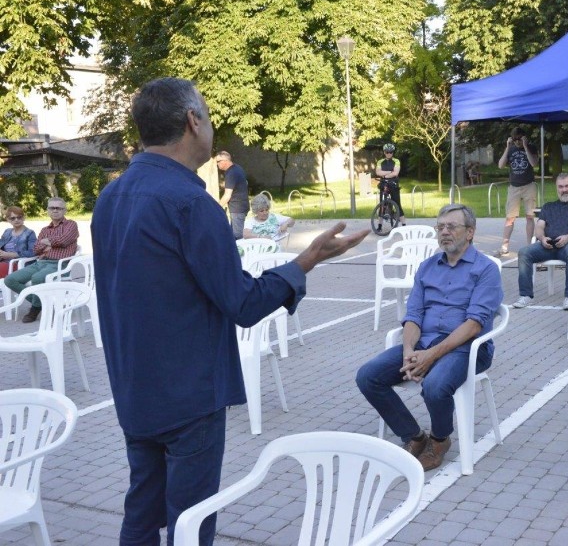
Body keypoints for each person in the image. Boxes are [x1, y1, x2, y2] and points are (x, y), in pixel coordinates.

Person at [91, 77, 368, 545]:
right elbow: (242, 302)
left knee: (141, 511)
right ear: (192, 121)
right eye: (208, 114)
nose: (213, 125)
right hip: (188, 396)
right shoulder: (190, 203)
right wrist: (307, 260)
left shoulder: (110, 197)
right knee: (191, 520)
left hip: (134, 387)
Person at [356, 204, 503, 471]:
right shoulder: (426, 267)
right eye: (440, 227)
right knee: (368, 376)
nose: (444, 232)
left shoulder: (485, 269)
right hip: (423, 344)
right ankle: (414, 436)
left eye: (452, 227)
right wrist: (409, 351)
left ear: (470, 232)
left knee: (435, 385)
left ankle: (439, 439)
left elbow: (473, 325)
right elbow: (413, 315)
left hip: (466, 349)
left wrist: (431, 356)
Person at [512, 173, 568, 310]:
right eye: (560, 187)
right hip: (548, 245)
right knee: (524, 252)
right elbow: (539, 226)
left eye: (567, 186)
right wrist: (542, 238)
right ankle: (525, 296)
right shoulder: (548, 206)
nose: (564, 189)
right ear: (557, 188)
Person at [4, 197, 79, 323]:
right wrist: (48, 244)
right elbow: (37, 249)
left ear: (64, 210)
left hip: (59, 265)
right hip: (41, 262)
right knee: (10, 279)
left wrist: (48, 242)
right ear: (48, 210)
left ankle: (35, 309)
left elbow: (64, 240)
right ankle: (40, 303)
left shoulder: (71, 224)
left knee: (37, 278)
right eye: (52, 208)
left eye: (58, 208)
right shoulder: (45, 229)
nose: (55, 210)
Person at [495, 127, 538, 256]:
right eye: (515, 139)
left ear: (524, 138)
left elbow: (534, 163)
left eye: (519, 139)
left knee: (530, 216)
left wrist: (525, 147)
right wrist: (507, 147)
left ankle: (530, 245)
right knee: (510, 218)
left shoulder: (531, 147)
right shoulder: (510, 148)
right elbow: (501, 165)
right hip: (514, 187)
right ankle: (504, 246)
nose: (517, 142)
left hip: (528, 186)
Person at [216, 150, 249, 239]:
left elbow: (227, 195)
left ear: (225, 161)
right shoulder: (238, 168)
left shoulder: (231, 173)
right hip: (242, 206)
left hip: (237, 209)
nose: (217, 164)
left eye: (218, 161)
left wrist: (216, 207)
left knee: (238, 237)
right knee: (232, 236)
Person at [0, 206, 37, 278]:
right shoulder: (7, 232)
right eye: (12, 218)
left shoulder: (29, 233)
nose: (16, 220)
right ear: (8, 220)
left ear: (23, 218)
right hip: (4, 261)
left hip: (18, 263)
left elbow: (33, 252)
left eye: (19, 217)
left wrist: (12, 255)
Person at [375, 142, 407, 226]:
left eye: (391, 152)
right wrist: (389, 172)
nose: (389, 154)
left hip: (393, 183)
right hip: (384, 183)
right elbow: (378, 172)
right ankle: (379, 225)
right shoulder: (380, 161)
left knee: (397, 203)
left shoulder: (396, 161)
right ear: (384, 152)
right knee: (382, 204)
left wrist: (384, 175)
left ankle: (404, 224)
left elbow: (395, 173)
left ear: (393, 152)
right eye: (387, 152)